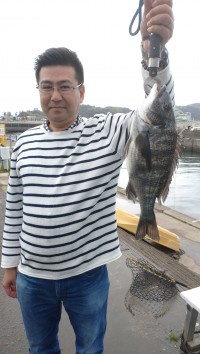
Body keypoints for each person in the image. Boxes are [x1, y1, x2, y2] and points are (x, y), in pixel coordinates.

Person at [1, 0, 174, 353]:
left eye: (65, 86)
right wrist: (9, 265)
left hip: (88, 276)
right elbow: (14, 210)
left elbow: (161, 111)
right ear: (38, 92)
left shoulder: (109, 132)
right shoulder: (23, 145)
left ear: (82, 92)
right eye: (46, 86)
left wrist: (155, 55)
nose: (55, 96)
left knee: (90, 347)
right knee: (40, 348)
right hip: (33, 277)